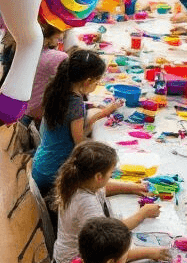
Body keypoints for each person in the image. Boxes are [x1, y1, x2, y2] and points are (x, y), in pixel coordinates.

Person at [50, 141, 169, 263]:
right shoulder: (86, 203)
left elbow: (105, 187)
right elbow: (111, 237)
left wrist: (134, 187)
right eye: (110, 173)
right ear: (98, 177)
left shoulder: (79, 181)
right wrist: (143, 215)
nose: (110, 177)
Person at [30, 49, 123, 196]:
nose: (96, 85)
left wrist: (101, 115)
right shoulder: (75, 103)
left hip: (41, 165)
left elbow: (69, 130)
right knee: (99, 183)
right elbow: (79, 144)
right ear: (87, 82)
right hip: (54, 174)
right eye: (97, 82)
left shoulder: (56, 90)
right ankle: (136, 188)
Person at [26, 23, 67, 125]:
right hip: (39, 107)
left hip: (26, 104)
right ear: (48, 38)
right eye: (58, 39)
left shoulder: (32, 50)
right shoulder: (56, 56)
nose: (59, 42)